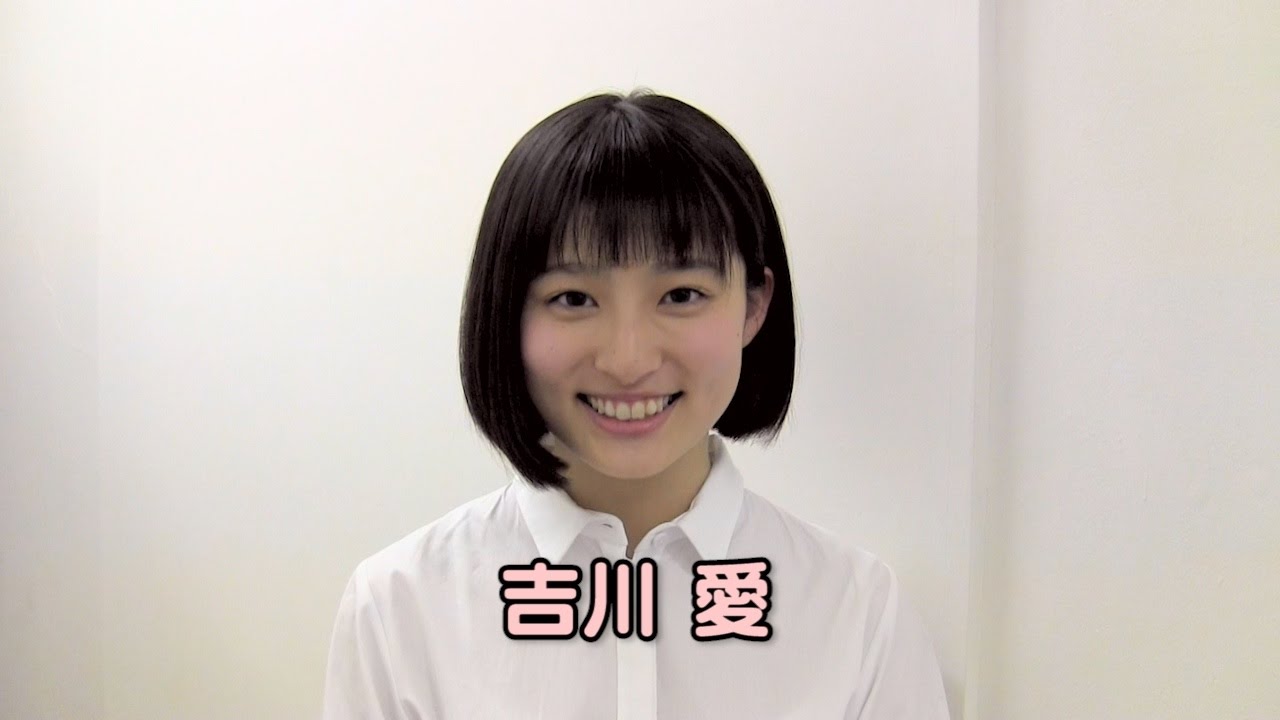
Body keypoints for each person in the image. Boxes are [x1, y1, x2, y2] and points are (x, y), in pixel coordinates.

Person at [322, 89, 949, 719]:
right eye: (573, 299)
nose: (627, 360)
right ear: (507, 311)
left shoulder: (859, 617)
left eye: (681, 295)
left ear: (755, 306)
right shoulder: (399, 611)